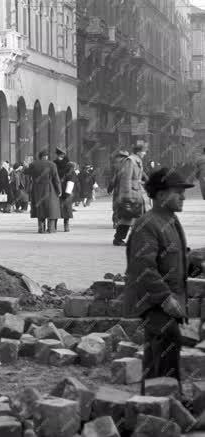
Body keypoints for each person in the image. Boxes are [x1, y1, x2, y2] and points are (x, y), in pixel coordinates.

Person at [123, 167, 194, 396]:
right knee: (165, 346)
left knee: (163, 353)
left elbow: (172, 257)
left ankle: (160, 404)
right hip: (155, 303)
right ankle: (159, 405)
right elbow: (143, 268)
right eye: (178, 192)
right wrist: (165, 298)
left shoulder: (170, 220)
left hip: (170, 301)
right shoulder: (148, 224)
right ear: (161, 195)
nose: (183, 196)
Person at [113, 143, 148, 246]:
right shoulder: (130, 161)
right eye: (143, 151)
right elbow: (126, 178)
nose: (145, 153)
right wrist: (127, 196)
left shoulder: (136, 160)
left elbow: (140, 176)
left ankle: (130, 239)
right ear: (138, 152)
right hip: (131, 193)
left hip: (136, 191)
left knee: (134, 218)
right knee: (128, 218)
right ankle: (119, 239)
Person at [24, 150, 62, 233]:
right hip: (50, 189)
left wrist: (25, 166)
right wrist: (59, 190)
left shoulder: (33, 164)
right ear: (47, 156)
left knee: (40, 210)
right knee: (51, 209)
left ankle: (41, 228)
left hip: (37, 190)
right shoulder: (52, 164)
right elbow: (56, 179)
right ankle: (51, 229)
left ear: (40, 156)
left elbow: (26, 172)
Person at [108, 148, 130, 229]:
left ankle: (116, 222)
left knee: (116, 207)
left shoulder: (116, 164)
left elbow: (113, 179)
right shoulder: (130, 163)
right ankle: (125, 222)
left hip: (118, 190)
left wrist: (110, 188)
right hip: (128, 189)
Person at [60, 162, 78, 232]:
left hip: (61, 192)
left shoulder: (63, 172)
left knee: (61, 210)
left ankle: (54, 226)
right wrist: (67, 193)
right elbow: (71, 183)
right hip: (67, 193)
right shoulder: (72, 173)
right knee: (66, 210)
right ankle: (66, 226)